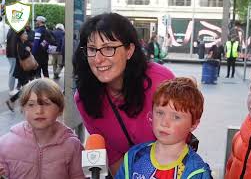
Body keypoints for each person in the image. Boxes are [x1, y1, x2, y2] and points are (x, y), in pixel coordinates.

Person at [73, 12, 175, 176]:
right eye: (92, 49)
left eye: (108, 48)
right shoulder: (84, 97)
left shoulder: (161, 81)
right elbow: (112, 156)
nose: (98, 59)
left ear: (129, 50)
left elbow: (180, 137)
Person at [115, 77, 212, 178]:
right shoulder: (134, 156)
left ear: (194, 124)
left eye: (176, 117)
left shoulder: (197, 172)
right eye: (160, 113)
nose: (164, 123)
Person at [0, 78, 85, 179]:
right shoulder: (5, 144)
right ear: (23, 109)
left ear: (60, 109)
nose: (39, 111)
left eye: (47, 103)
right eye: (31, 104)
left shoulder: (72, 146)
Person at [6, 30, 35, 111]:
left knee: (25, 88)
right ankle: (17, 103)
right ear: (20, 36)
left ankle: (15, 103)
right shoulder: (19, 45)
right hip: (21, 70)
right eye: (25, 34)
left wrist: (29, 48)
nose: (26, 35)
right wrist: (28, 51)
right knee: (26, 88)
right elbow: (22, 56)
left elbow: (30, 46)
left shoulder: (24, 43)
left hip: (24, 70)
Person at [6, 28, 18, 95]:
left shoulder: (11, 30)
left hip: (11, 54)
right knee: (12, 71)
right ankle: (11, 89)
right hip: (12, 54)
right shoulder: (13, 31)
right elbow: (13, 44)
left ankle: (12, 88)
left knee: (12, 71)